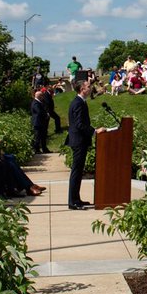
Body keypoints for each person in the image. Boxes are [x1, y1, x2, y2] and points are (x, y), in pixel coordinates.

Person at [65, 80, 94, 209]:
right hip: (78, 141)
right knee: (76, 172)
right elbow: (79, 124)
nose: (90, 88)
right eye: (88, 86)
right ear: (82, 89)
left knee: (78, 171)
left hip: (80, 140)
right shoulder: (77, 103)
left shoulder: (81, 102)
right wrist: (94, 131)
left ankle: (77, 199)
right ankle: (73, 202)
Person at [30, 88, 51, 153]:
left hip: (41, 123)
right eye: (42, 95)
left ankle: (44, 149)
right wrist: (46, 114)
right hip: (38, 123)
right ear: (39, 96)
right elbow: (39, 112)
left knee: (43, 136)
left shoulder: (38, 102)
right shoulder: (36, 103)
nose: (43, 97)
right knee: (38, 137)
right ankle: (36, 150)